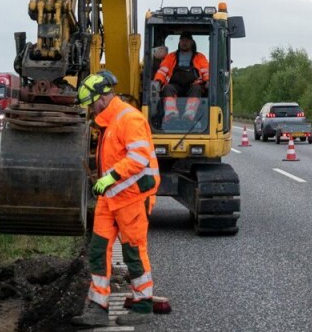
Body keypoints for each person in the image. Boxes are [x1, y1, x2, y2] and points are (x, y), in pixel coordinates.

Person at [70, 70, 161, 328]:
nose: (89, 110)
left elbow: (139, 158)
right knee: (98, 251)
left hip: (131, 198)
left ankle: (143, 305)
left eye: (90, 105)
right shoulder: (108, 122)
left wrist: (109, 178)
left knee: (133, 251)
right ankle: (98, 307)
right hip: (110, 200)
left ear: (101, 97)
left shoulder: (129, 119)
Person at [152, 32, 210, 128]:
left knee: (197, 89)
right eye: (182, 40)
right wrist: (157, 81)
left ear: (191, 42)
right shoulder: (171, 57)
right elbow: (162, 70)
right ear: (179, 42)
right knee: (167, 88)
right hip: (175, 85)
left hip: (193, 85)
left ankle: (189, 115)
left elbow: (205, 70)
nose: (184, 43)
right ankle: (171, 114)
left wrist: (207, 81)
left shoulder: (200, 57)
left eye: (187, 40)